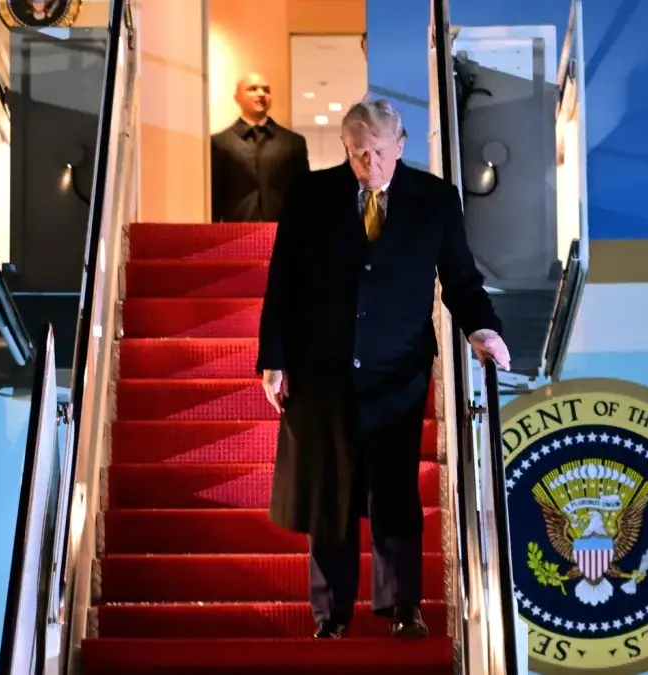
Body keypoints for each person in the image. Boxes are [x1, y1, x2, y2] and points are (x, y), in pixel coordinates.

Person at [256, 99, 511, 640]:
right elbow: (283, 281)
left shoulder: (434, 199)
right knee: (328, 492)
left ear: (400, 145)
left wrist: (483, 331)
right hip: (321, 368)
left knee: (394, 490)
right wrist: (273, 359)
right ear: (343, 148)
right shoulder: (310, 194)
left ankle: (402, 607)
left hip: (397, 371)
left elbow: (460, 279)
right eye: (356, 153)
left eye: (376, 151)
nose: (367, 164)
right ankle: (331, 615)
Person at [211, 73, 310, 223]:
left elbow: (304, 193)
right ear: (237, 98)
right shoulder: (220, 142)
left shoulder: (294, 142)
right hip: (235, 230)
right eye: (252, 89)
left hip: (283, 229)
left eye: (266, 90)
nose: (261, 94)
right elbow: (215, 196)